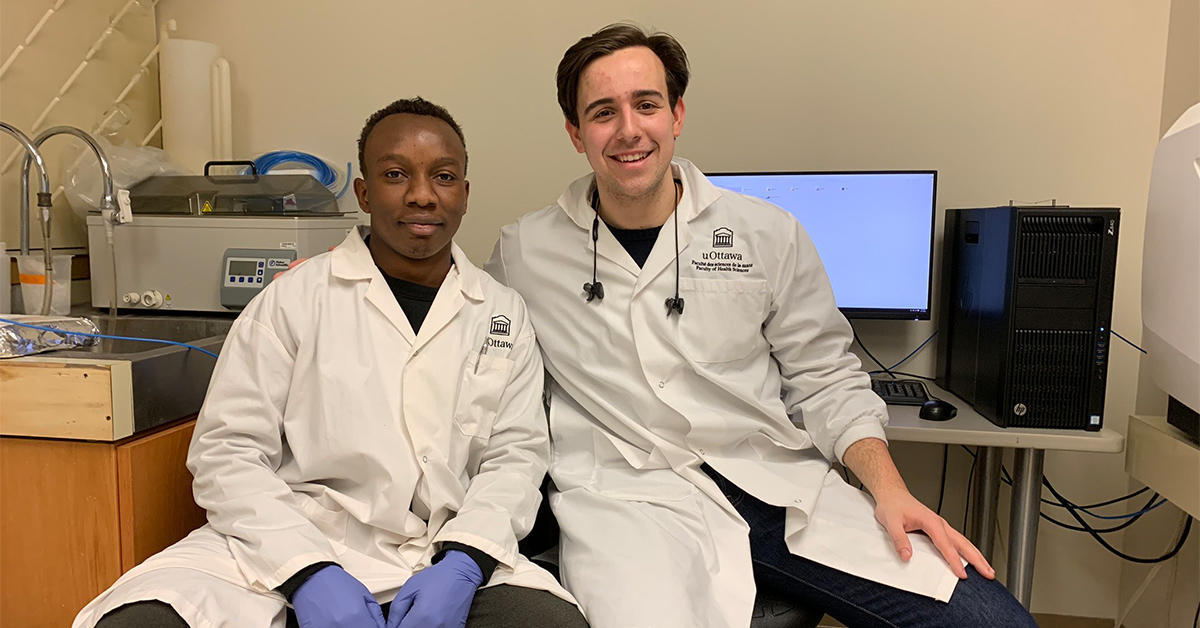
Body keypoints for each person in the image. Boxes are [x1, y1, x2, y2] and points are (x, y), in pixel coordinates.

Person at [485, 24, 1037, 627]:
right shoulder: (525, 251)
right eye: (602, 112)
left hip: (777, 490)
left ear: (677, 114)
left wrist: (889, 490)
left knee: (992, 622)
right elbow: (491, 380)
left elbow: (826, 379)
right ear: (575, 133)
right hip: (627, 502)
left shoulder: (766, 233)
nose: (628, 129)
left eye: (646, 104)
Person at [74, 97, 587, 628]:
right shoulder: (293, 300)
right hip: (288, 541)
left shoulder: (501, 313)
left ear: (464, 194)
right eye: (395, 174)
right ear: (364, 193)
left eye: (443, 176)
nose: (421, 195)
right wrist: (306, 571)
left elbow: (516, 458)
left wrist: (465, 560)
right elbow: (228, 452)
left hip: (443, 550)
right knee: (140, 623)